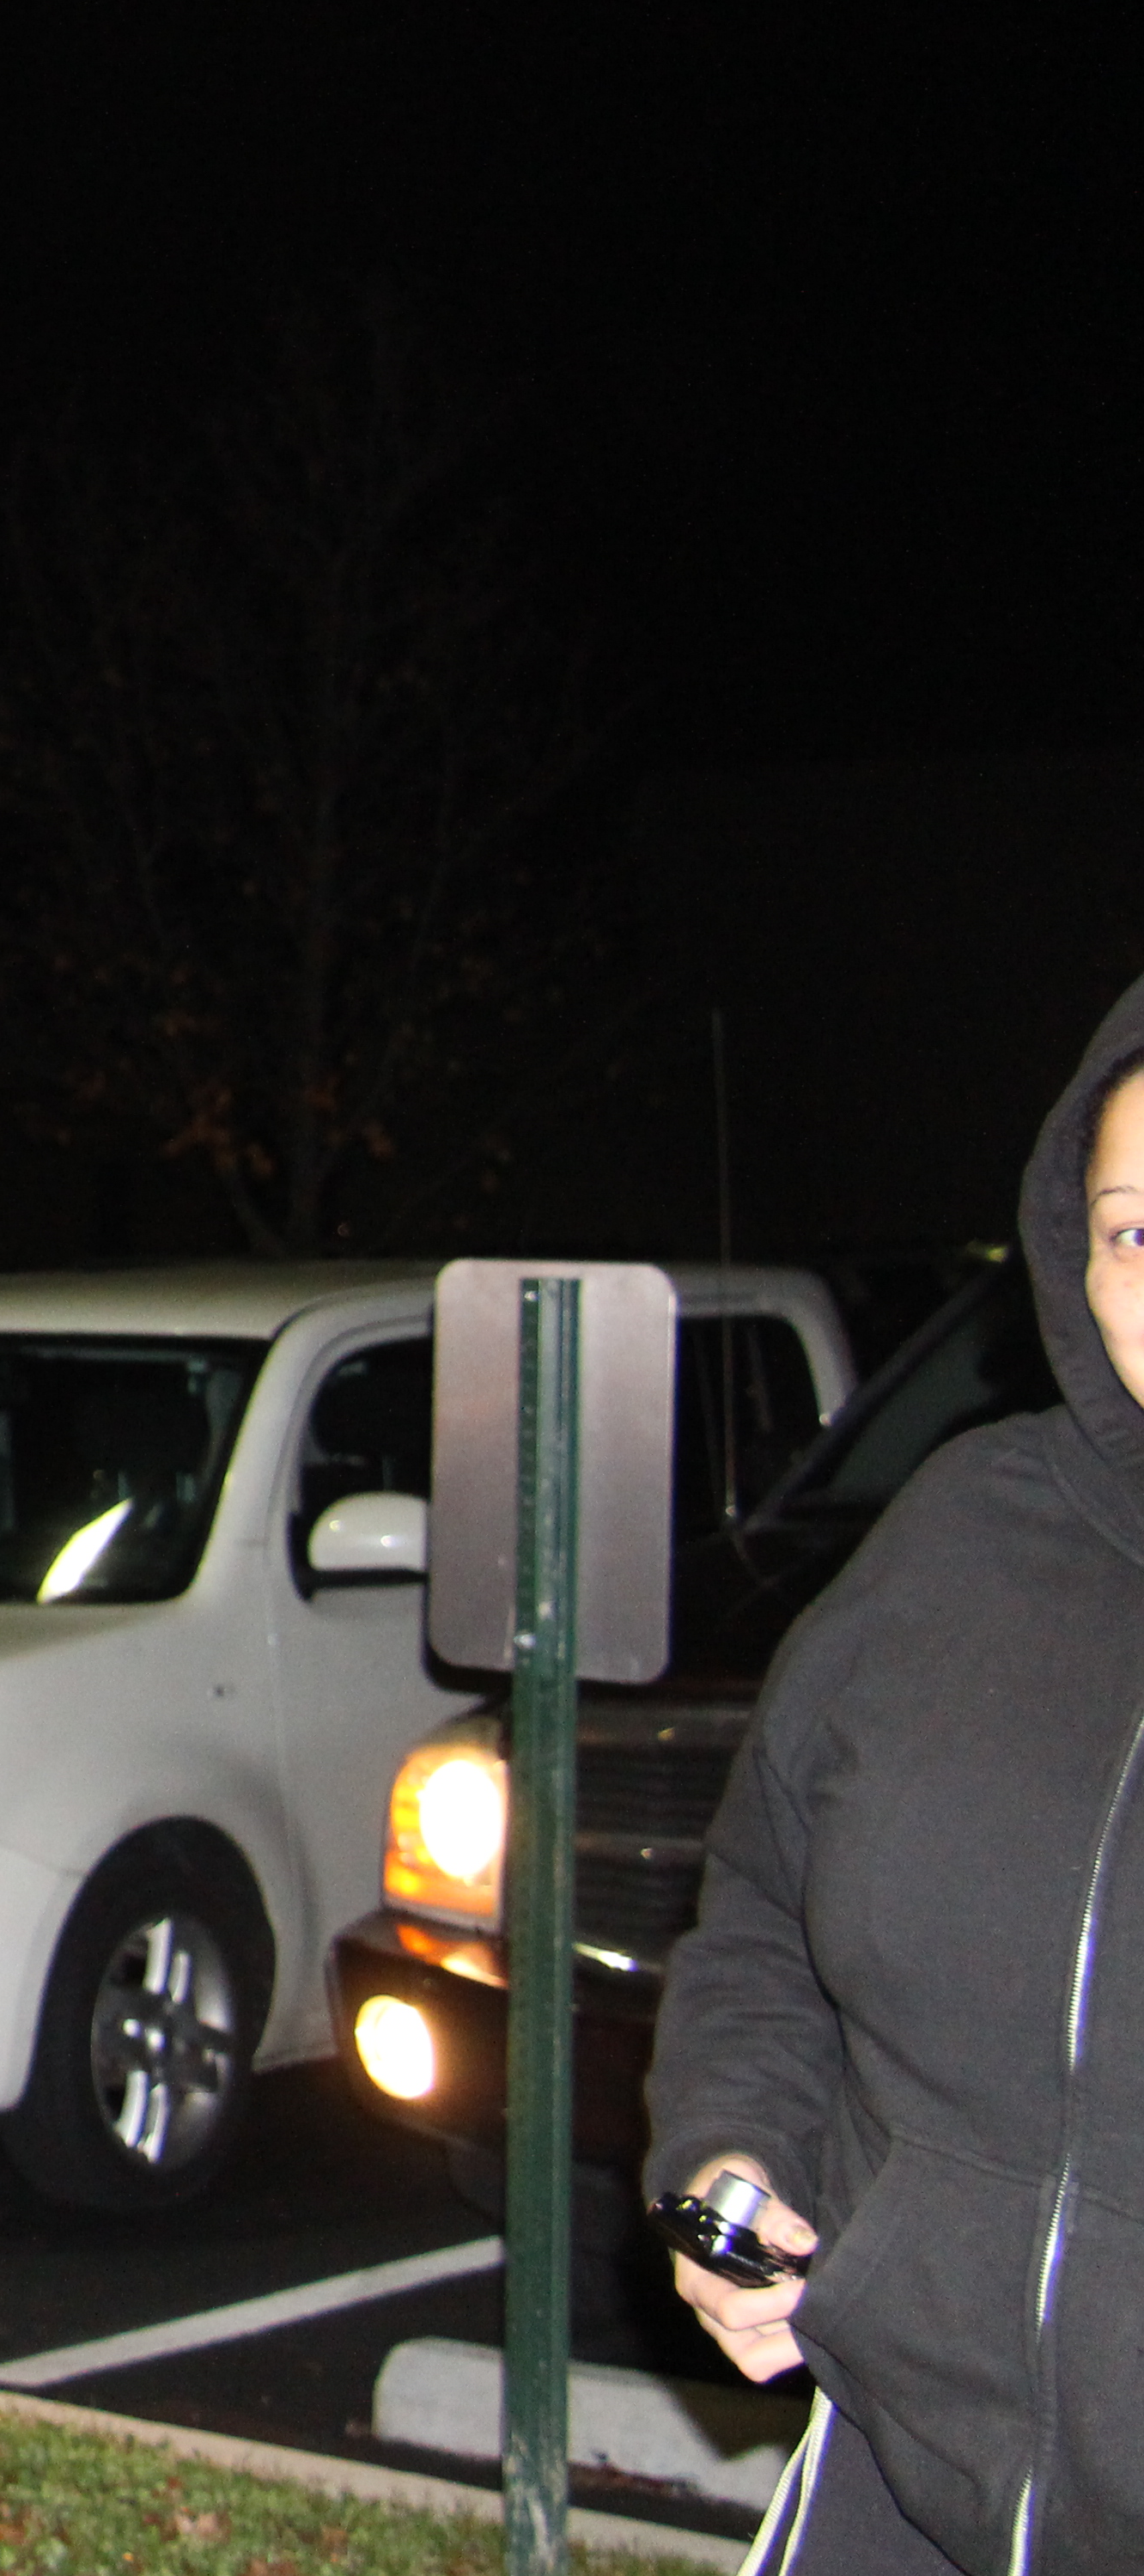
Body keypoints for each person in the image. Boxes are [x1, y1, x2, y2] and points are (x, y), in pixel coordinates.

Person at [649, 971, 1144, 2572]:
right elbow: (767, 1922)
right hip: (899, 2498)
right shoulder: (958, 1540)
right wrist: (738, 2150)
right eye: (1138, 1231)